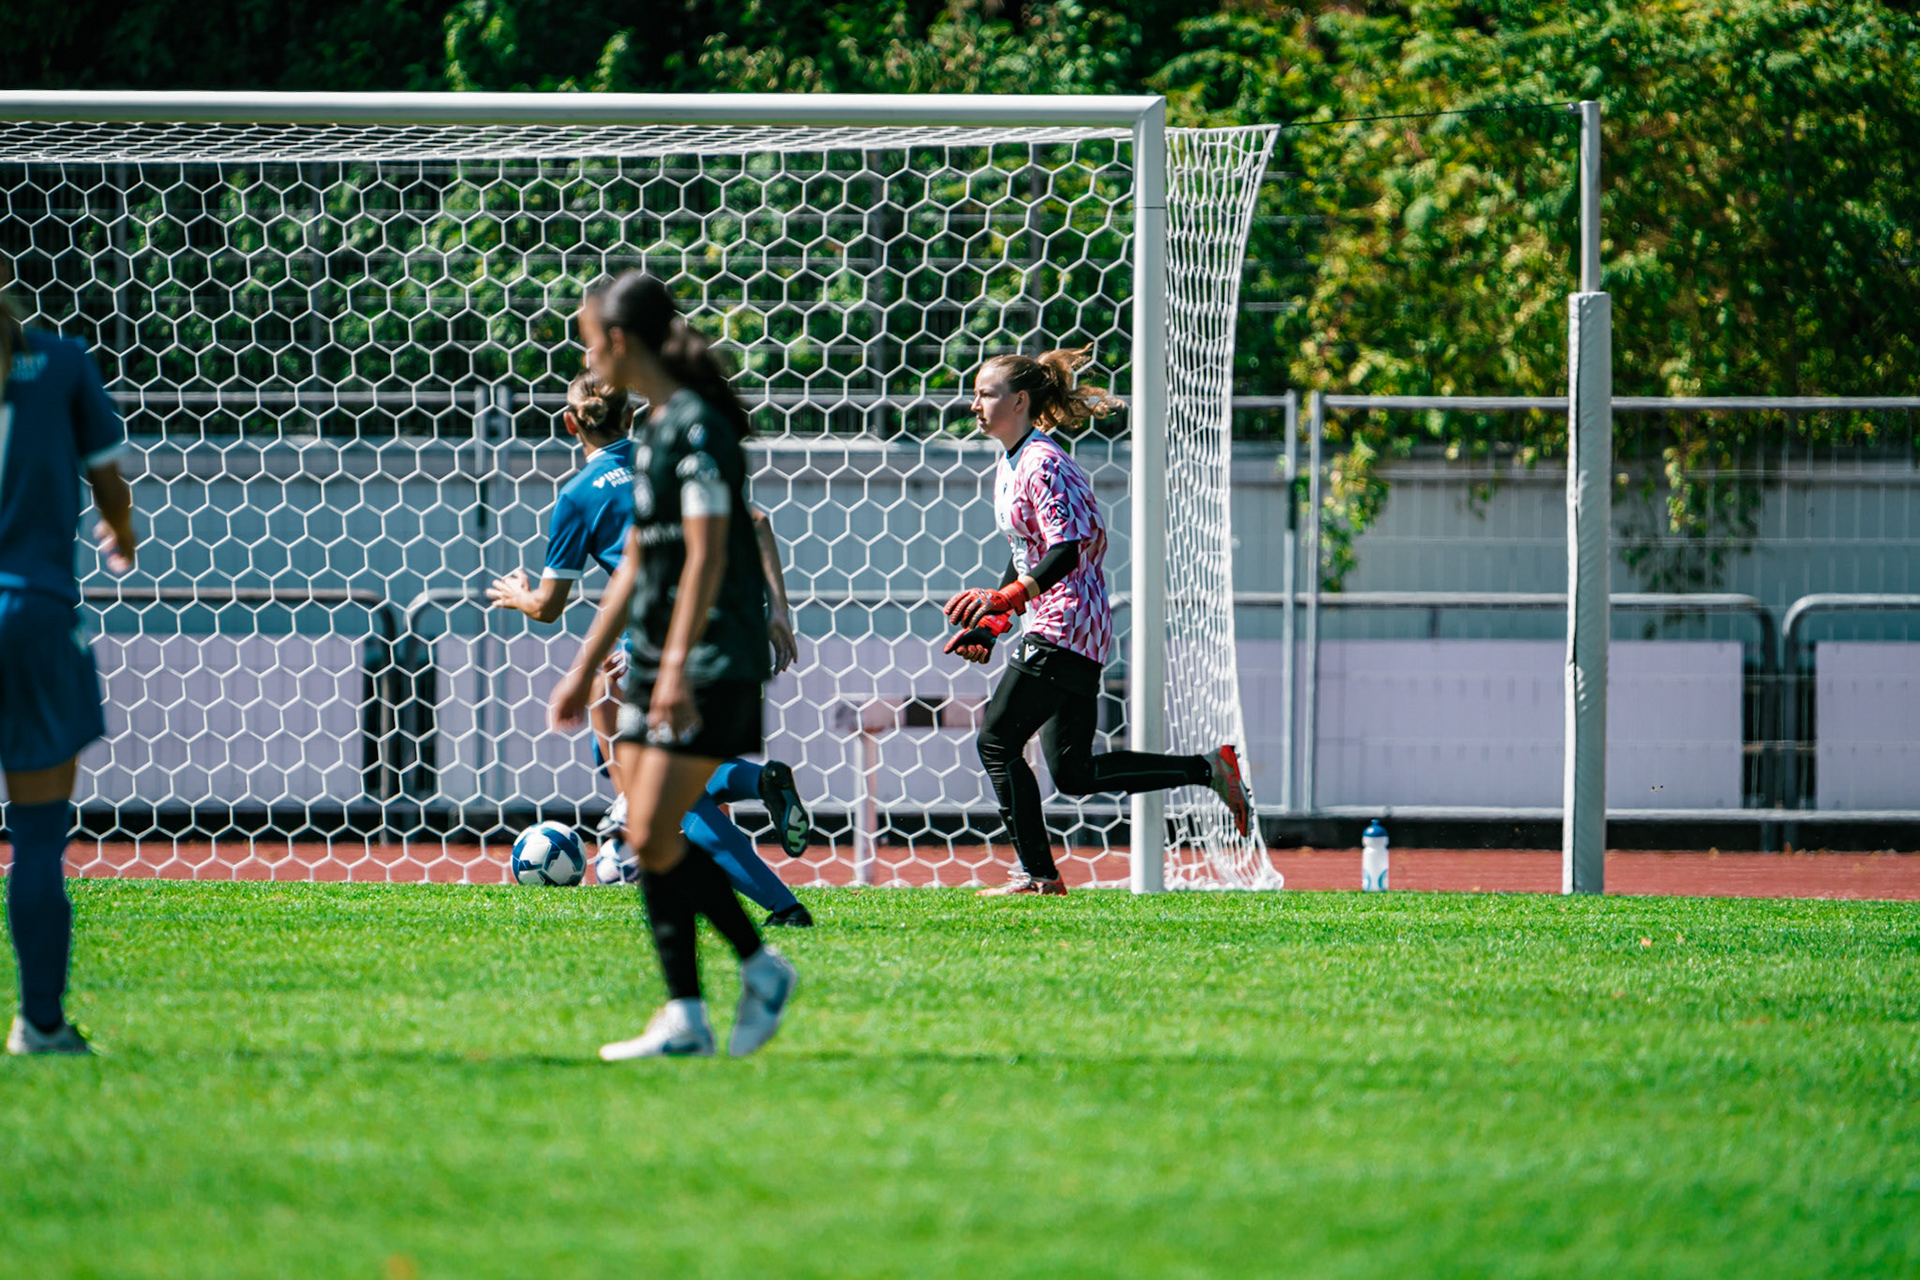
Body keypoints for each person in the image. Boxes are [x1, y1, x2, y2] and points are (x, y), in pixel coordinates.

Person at [549, 272, 797, 1060]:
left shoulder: (697, 428)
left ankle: (736, 982)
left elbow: (703, 554)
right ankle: (707, 1002)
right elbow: (637, 567)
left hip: (711, 657)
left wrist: (681, 671)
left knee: (652, 828)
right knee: (650, 833)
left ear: (620, 342)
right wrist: (582, 665)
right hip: (660, 657)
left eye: (590, 339)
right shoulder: (654, 435)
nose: (588, 355)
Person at [490, 371, 813, 927]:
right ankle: (755, 782)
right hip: (728, 623)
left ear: (570, 423)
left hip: (672, 636)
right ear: (633, 418)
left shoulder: (577, 494)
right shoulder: (669, 459)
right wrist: (778, 613)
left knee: (670, 797)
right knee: (665, 772)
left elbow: (549, 607)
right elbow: (757, 521)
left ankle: (784, 908)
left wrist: (520, 595)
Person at [942, 346, 1253, 896]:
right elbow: (1026, 552)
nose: (974, 405)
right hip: (1063, 624)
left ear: (1018, 400)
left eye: (985, 394)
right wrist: (994, 620)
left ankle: (1039, 876)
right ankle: (1210, 769)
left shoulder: (1044, 461)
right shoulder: (1011, 462)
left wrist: (1010, 601)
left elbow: (1068, 548)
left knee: (996, 741)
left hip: (1066, 624)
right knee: (1074, 773)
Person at [0, 286, 139, 1054]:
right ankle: (41, 1023)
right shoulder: (59, 361)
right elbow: (109, 484)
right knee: (39, 833)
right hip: (34, 616)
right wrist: (123, 535)